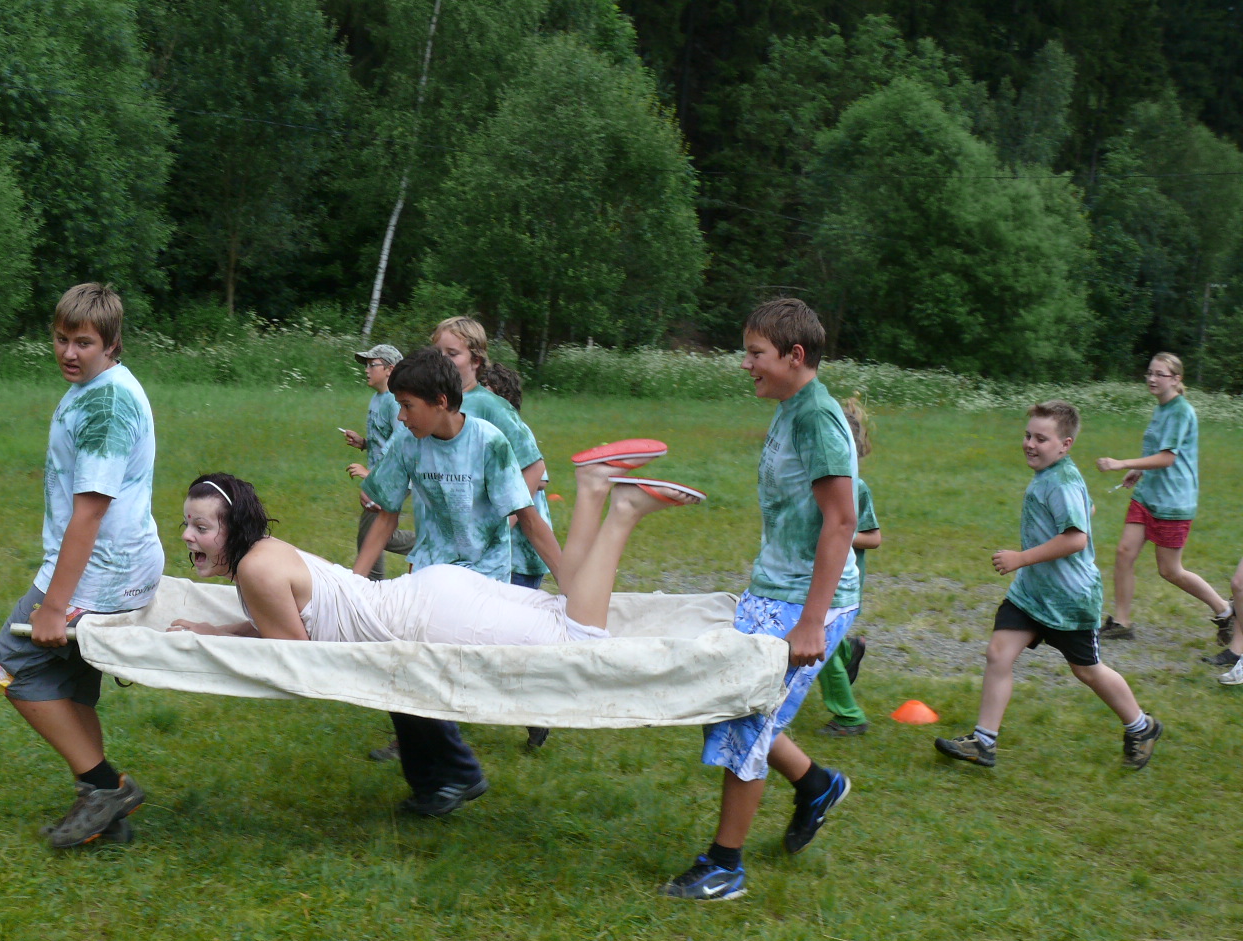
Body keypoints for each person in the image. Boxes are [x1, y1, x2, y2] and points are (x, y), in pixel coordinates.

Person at [660, 299, 858, 903]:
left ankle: (725, 865)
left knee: (746, 719)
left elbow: (842, 521)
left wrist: (812, 622)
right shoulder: (790, 409)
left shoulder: (816, 419)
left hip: (806, 603)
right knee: (733, 702)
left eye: (755, 354)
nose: (745, 364)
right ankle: (816, 784)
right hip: (774, 590)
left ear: (794, 356)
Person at [0, 284, 163, 849]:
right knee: (67, 682)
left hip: (101, 572)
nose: (68, 352)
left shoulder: (106, 408)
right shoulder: (97, 387)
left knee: (11, 669)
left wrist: (54, 604)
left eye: (83, 342)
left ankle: (106, 789)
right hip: (117, 563)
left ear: (111, 344)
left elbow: (90, 511)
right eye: (61, 339)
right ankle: (104, 810)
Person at [350, 346, 565, 815]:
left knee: (427, 674)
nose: (400, 416)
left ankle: (457, 774)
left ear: (442, 401)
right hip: (428, 574)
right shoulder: (408, 442)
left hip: (481, 579)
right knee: (399, 668)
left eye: (408, 406)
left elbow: (528, 518)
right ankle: (435, 784)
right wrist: (354, 584)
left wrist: (570, 583)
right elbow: (387, 514)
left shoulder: (488, 442)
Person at [171, 460, 695, 645]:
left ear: (233, 527)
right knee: (568, 611)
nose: (189, 537)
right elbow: (284, 625)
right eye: (187, 525)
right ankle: (593, 486)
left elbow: (291, 652)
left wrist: (215, 641)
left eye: (201, 527)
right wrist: (216, 629)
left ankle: (621, 509)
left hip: (429, 617)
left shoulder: (256, 570)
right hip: (432, 593)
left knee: (578, 641)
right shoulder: (265, 551)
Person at [935, 401, 1163, 770]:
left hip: (1069, 599)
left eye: (1041, 439)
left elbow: (1076, 539)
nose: (1030, 444)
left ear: (1065, 444)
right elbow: (1085, 511)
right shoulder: (1053, 475)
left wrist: (1020, 558)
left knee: (1086, 670)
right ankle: (983, 741)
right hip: (1032, 593)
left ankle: (1141, 726)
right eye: (1028, 435)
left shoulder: (1062, 480)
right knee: (998, 653)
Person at [434, 318, 556, 747]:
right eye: (438, 353)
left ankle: (535, 708)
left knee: (503, 643)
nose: (444, 361)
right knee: (444, 634)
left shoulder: (491, 407)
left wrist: (502, 521)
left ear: (476, 359)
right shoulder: (435, 404)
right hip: (459, 549)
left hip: (514, 550)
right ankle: (430, 727)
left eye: (452, 354)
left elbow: (535, 467)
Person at [1095, 353, 1234, 645]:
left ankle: (1225, 611)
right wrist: (1138, 470)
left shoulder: (1181, 411)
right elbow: (1157, 452)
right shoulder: (1162, 408)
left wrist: (1122, 463)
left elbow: (1168, 458)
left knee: (1170, 570)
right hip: (1147, 496)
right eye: (1150, 373)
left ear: (1176, 379)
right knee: (1124, 552)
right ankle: (1122, 622)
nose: (1152, 379)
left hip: (1173, 502)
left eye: (1160, 374)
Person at [814, 396, 880, 736]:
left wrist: (839, 536)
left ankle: (849, 717)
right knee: (815, 637)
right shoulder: (811, 483)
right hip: (810, 576)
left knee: (818, 648)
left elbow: (874, 538)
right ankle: (849, 649)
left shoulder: (857, 489)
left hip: (841, 583)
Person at [341, 343, 416, 584]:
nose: (366, 370)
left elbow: (400, 440)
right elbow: (384, 438)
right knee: (371, 535)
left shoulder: (395, 401)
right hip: (381, 476)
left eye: (372, 365)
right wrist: (363, 443)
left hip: (392, 477)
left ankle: (432, 545)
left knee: (374, 536)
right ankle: (373, 585)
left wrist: (372, 474)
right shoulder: (377, 399)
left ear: (389, 369)